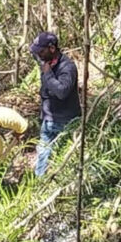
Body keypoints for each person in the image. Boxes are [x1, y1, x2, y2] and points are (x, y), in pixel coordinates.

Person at [29, 32, 80, 176]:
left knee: (67, 154)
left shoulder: (67, 67)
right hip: (48, 119)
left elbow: (62, 92)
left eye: (41, 51)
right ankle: (40, 182)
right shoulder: (47, 62)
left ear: (52, 48)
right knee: (43, 152)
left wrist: (48, 74)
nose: (39, 54)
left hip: (65, 120)